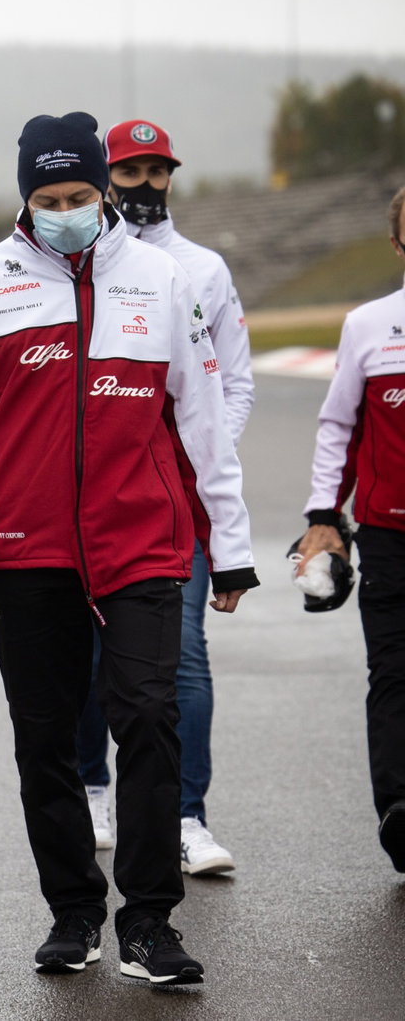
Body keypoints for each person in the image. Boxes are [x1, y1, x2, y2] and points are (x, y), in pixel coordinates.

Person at [0, 113, 258, 986]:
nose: (64, 211)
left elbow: (203, 421)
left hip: (141, 543)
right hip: (26, 550)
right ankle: (73, 911)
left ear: (103, 190)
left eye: (78, 195)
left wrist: (230, 544)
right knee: (47, 740)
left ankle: (148, 921)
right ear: (25, 197)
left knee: (147, 716)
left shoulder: (162, 279)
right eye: (48, 197)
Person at [73, 119, 255, 874]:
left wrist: (189, 461)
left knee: (182, 659)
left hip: (175, 504)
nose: (146, 183)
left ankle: (185, 816)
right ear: (106, 178)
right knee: (87, 655)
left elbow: (233, 387)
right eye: (130, 170)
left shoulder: (205, 270)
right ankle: (93, 790)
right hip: (89, 501)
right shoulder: (73, 265)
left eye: (158, 170)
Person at [294, 184, 405, 875]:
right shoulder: (369, 326)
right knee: (393, 673)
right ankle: (400, 812)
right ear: (397, 242)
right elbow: (339, 427)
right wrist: (322, 518)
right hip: (390, 537)